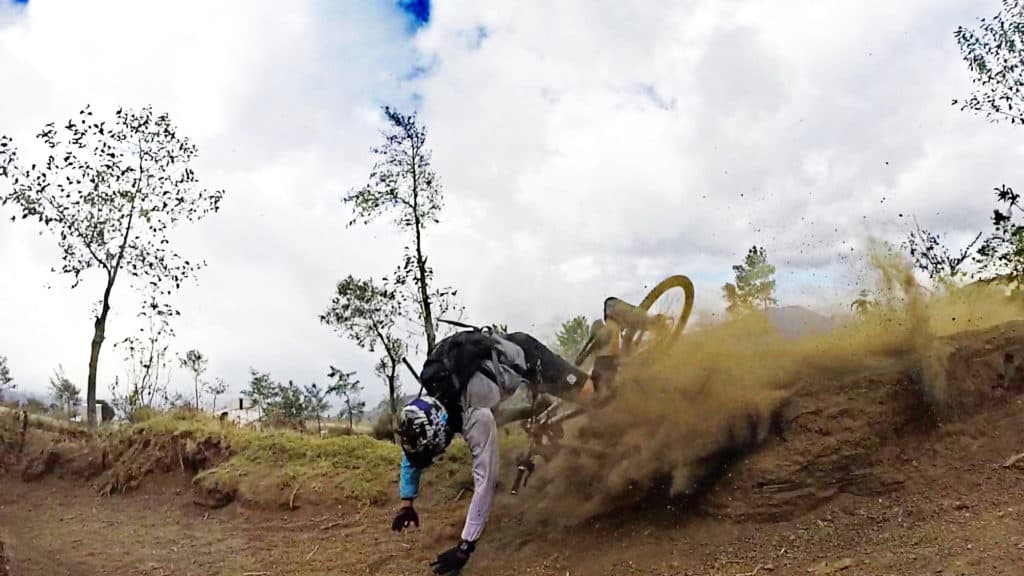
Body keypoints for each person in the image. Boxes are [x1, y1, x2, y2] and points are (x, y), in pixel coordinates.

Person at [390, 329, 594, 575]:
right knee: (499, 410)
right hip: (498, 366)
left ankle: (611, 332)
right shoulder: (428, 403)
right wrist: (406, 502)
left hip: (527, 356)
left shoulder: (475, 416)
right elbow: (414, 446)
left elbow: (485, 483)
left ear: (441, 433)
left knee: (593, 395)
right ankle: (530, 410)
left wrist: (465, 546)